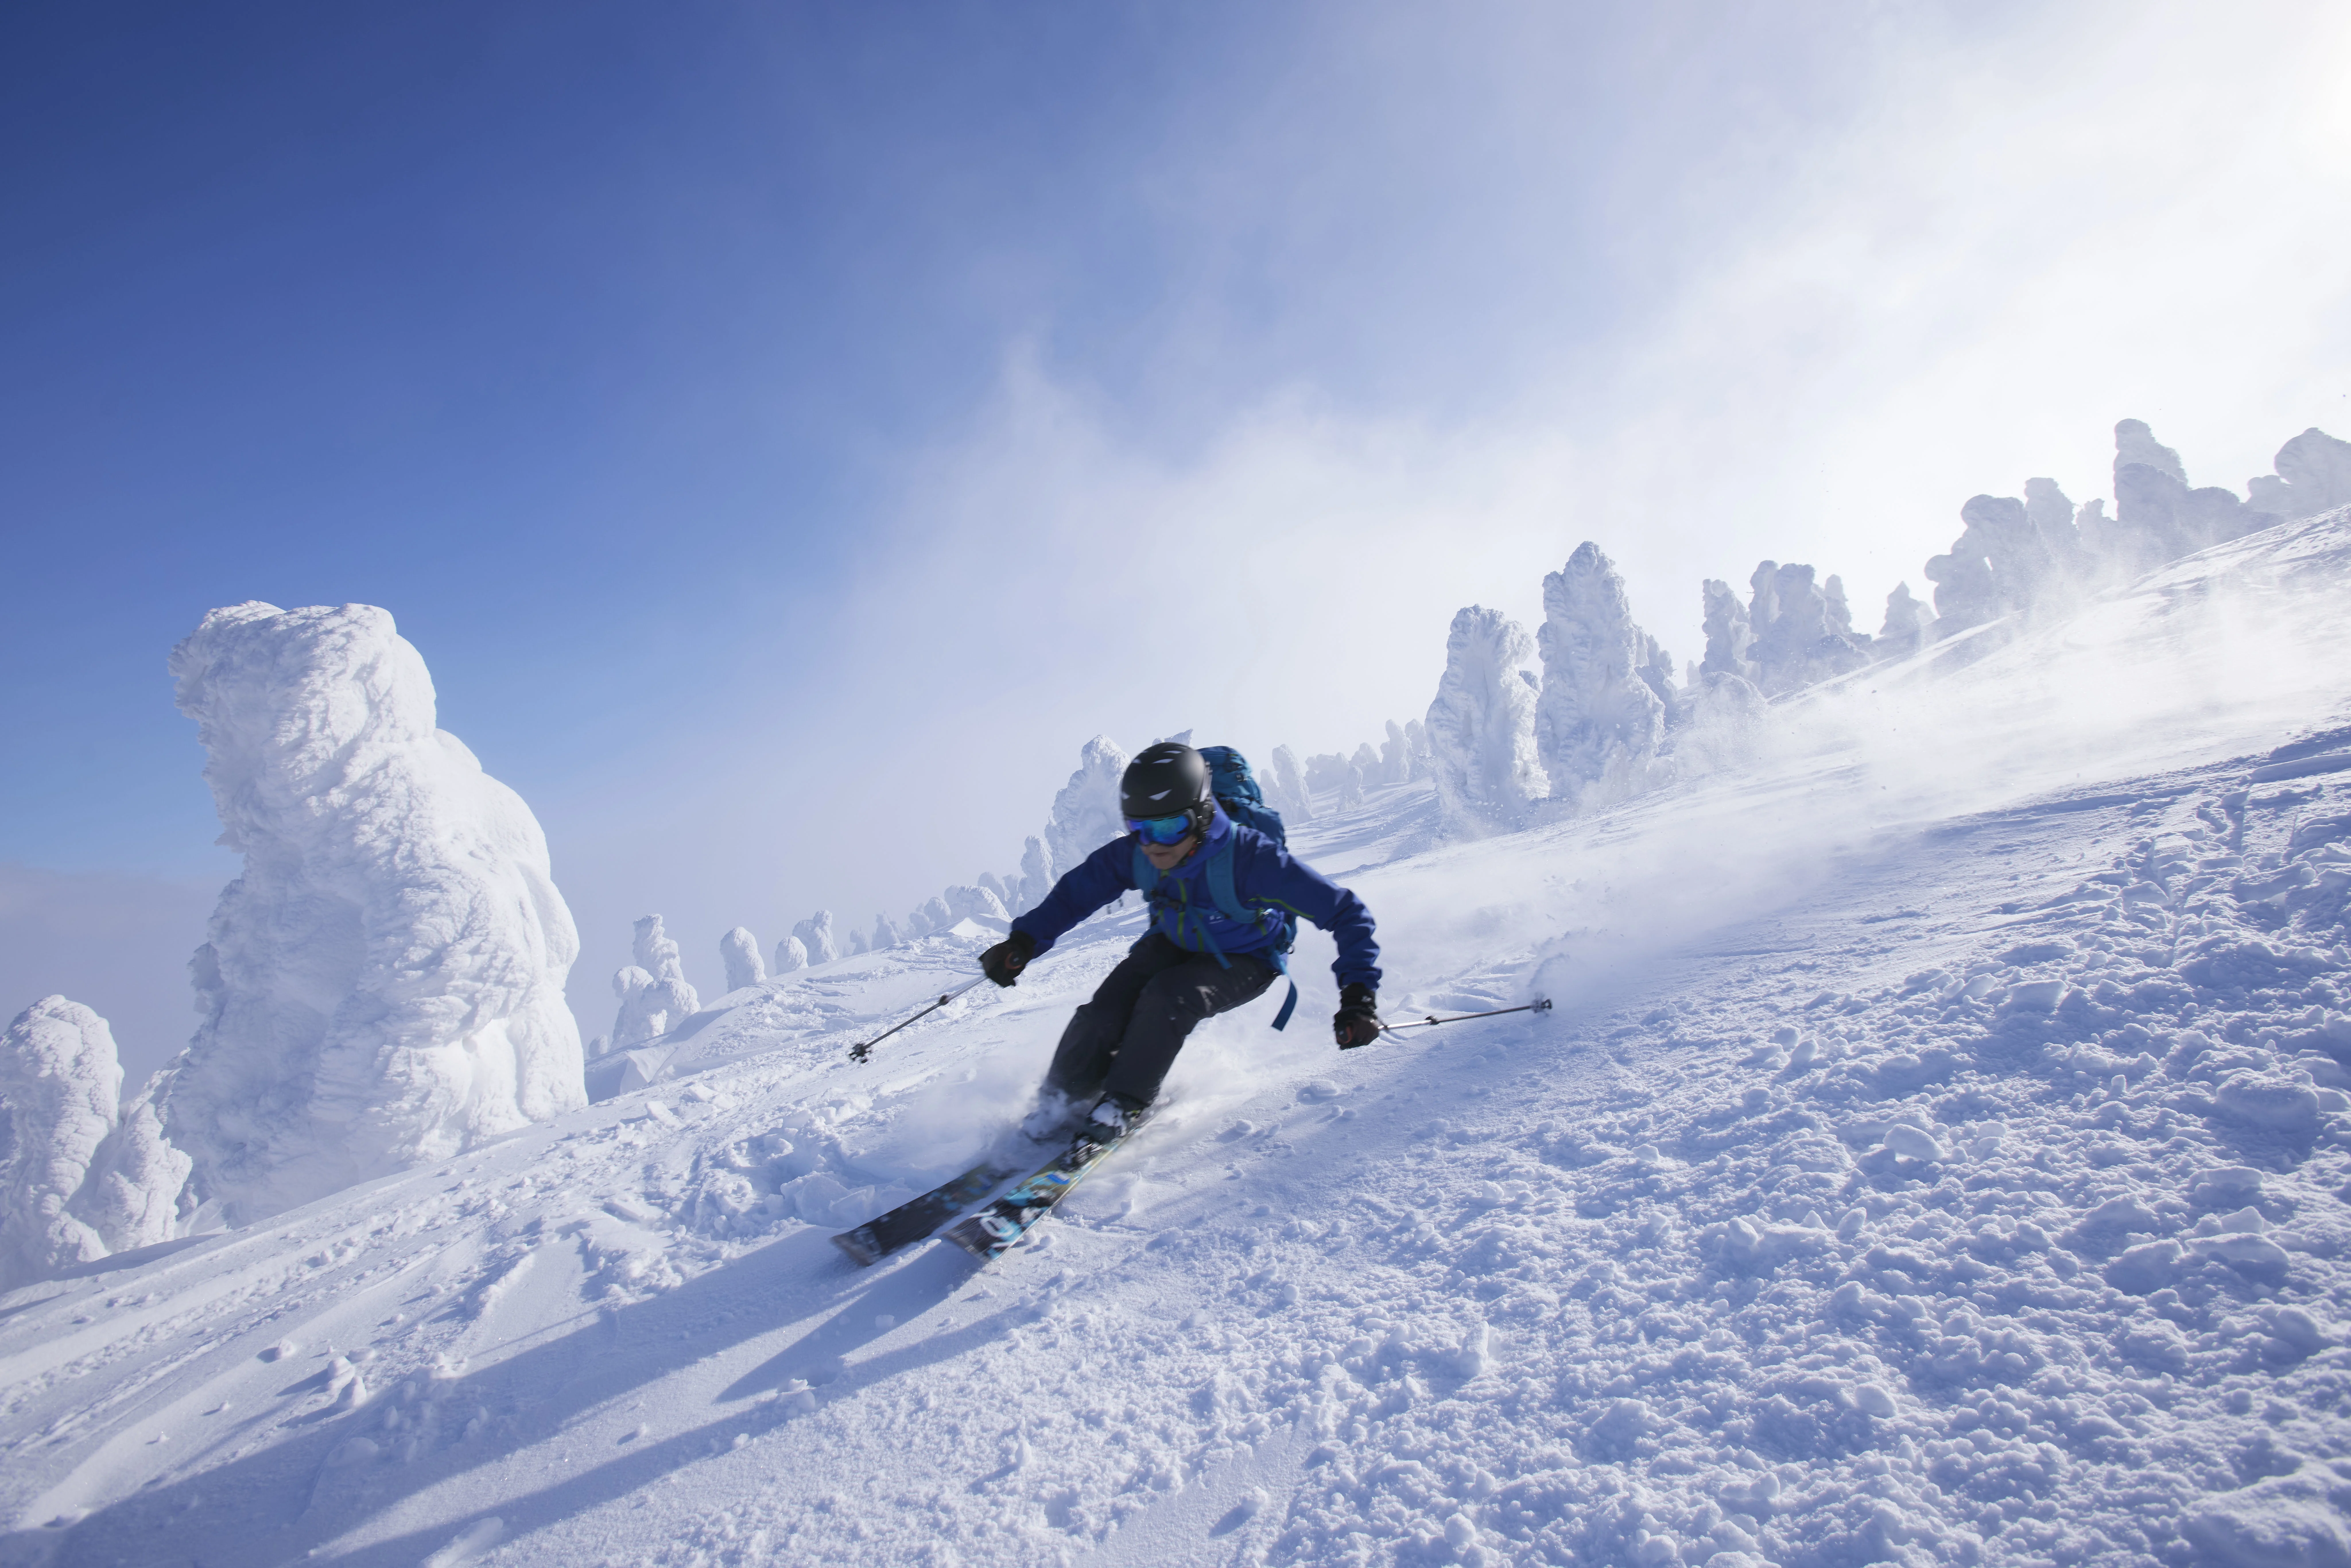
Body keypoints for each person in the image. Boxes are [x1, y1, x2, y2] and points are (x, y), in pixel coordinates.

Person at [979, 741, 1382, 1144]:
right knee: (1103, 1013)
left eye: (1170, 828)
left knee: (1169, 996)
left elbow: (1346, 912)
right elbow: (1078, 893)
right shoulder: (1137, 854)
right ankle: (1059, 1102)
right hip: (1174, 939)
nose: (1155, 844)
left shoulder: (1252, 861)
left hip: (1248, 955)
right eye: (1140, 828)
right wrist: (1026, 940)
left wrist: (1359, 995)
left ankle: (1123, 1102)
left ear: (1203, 816)